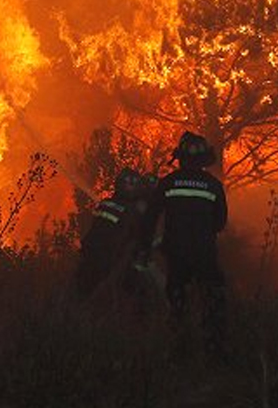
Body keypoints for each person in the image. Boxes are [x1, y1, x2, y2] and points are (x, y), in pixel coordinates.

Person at [140, 131, 228, 354]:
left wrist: (145, 245)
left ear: (180, 157)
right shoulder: (214, 185)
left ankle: (178, 346)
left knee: (177, 298)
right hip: (204, 253)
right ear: (205, 158)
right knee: (211, 297)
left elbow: (150, 217)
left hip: (176, 252)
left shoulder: (168, 183)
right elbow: (220, 223)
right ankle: (213, 346)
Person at [74, 168, 147, 299]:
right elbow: (136, 237)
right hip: (108, 258)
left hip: (91, 252)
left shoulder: (105, 203)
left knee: (81, 291)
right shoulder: (132, 211)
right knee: (99, 294)